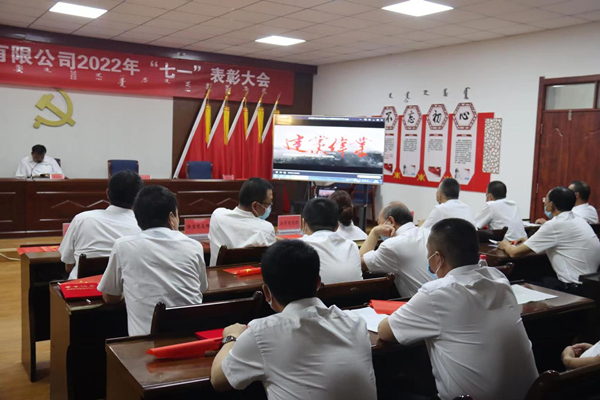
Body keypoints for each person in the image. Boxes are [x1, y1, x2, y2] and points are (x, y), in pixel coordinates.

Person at [378, 219, 538, 400]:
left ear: (438, 258)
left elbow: (386, 331)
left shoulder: (437, 293)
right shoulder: (498, 278)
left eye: (428, 253)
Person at [210, 240, 377, 400]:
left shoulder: (261, 334)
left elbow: (218, 380)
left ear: (267, 293)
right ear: (318, 283)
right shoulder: (355, 322)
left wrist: (231, 337)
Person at [98, 185, 207, 336]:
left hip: (145, 344)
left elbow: (110, 296)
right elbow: (202, 288)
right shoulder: (194, 246)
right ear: (171, 218)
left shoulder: (123, 246)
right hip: (191, 339)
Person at [499, 187, 600, 295]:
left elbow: (514, 253)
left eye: (545, 200)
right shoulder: (578, 219)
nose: (544, 203)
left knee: (519, 280)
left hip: (573, 288)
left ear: (551, 205)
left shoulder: (554, 224)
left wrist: (505, 244)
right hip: (590, 284)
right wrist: (529, 242)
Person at [59, 170, 144, 280]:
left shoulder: (82, 219)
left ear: (107, 193)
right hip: (124, 288)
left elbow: (68, 266)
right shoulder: (143, 226)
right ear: (139, 198)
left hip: (83, 287)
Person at [360, 202, 432, 297]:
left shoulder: (392, 245)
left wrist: (374, 232)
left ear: (390, 221)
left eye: (379, 223)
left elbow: (359, 264)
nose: (378, 226)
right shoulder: (429, 233)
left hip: (420, 304)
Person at [208, 177, 276, 266]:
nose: (269, 207)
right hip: (250, 275)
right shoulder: (266, 229)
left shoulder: (217, 215)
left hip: (216, 274)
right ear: (255, 205)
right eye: (268, 204)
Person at [300, 198, 363, 284]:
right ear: (337, 226)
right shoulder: (352, 246)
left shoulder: (299, 248)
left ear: (303, 224)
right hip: (357, 293)